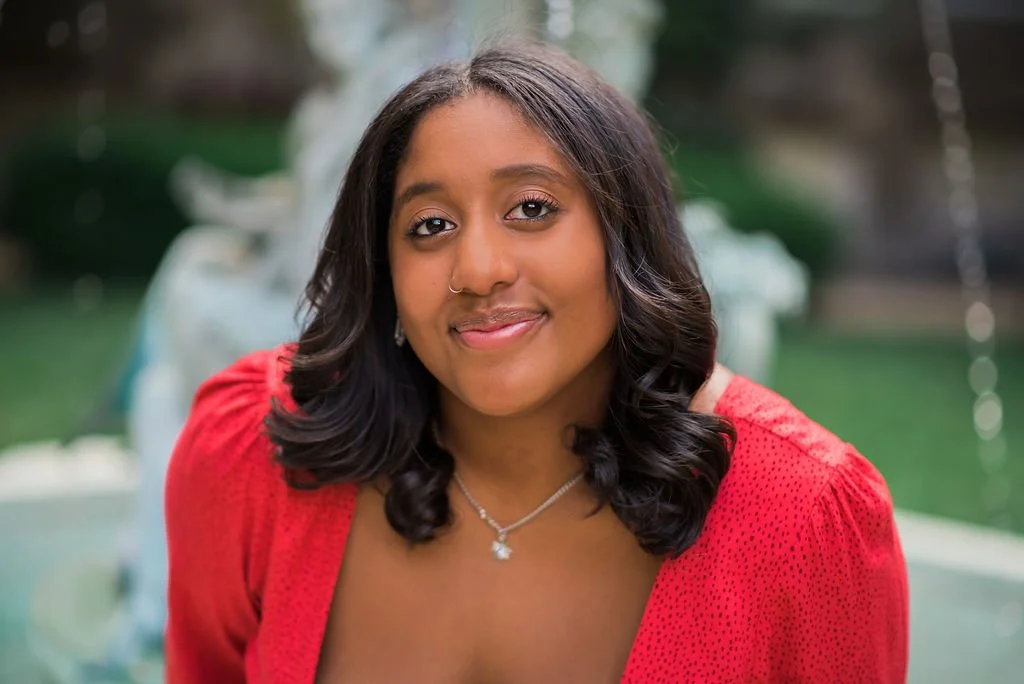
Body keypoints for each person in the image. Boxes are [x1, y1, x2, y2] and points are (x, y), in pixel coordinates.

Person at [164, 42, 908, 683]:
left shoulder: (805, 520)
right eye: (430, 225)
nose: (478, 269)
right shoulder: (258, 455)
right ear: (384, 270)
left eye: (531, 208)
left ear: (625, 233)